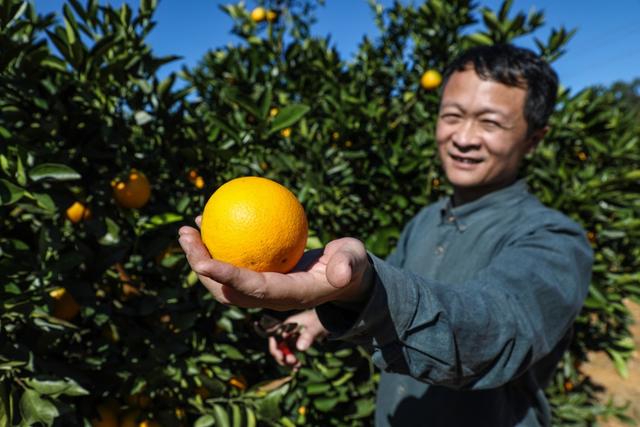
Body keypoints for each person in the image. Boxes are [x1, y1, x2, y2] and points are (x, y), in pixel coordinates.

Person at [178, 44, 593, 427]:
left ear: (534, 139)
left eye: (490, 122)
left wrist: (367, 288)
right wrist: (323, 313)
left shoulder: (554, 240)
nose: (463, 138)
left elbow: (497, 334)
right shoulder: (427, 220)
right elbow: (387, 301)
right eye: (452, 115)